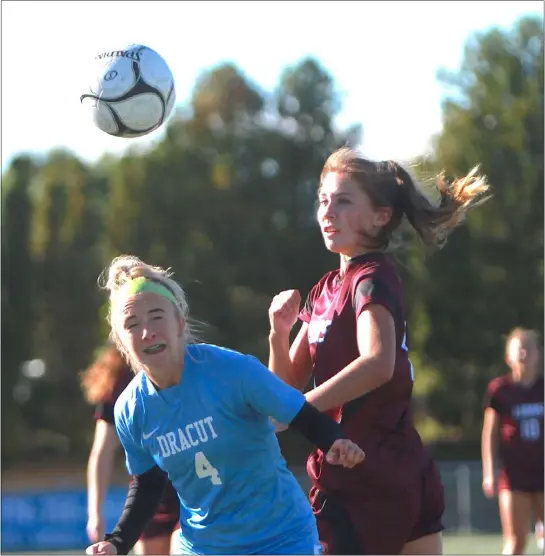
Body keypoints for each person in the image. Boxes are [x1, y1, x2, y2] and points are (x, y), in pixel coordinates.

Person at [268, 147, 490, 555]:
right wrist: (278, 335)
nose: (327, 211)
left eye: (343, 200)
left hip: (366, 479)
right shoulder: (324, 290)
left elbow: (377, 363)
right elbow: (284, 389)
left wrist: (299, 412)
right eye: (323, 201)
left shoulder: (371, 277)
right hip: (382, 472)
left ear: (381, 216)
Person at [85, 255, 365, 556]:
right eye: (132, 323)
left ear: (179, 322)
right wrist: (116, 543)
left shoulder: (232, 370)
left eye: (156, 316)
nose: (146, 331)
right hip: (206, 548)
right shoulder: (130, 409)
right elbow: (148, 486)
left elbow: (299, 413)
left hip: (282, 538)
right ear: (121, 341)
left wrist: (333, 440)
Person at [81, 345, 181, 555]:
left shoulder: (190, 366)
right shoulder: (120, 383)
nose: (146, 333)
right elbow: (102, 451)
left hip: (194, 493)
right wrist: (95, 512)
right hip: (151, 499)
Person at [481, 327, 544, 555]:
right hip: (514, 474)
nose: (525, 354)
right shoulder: (500, 390)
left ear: (539, 354)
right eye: (520, 348)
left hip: (543, 471)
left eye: (530, 348)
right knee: (515, 542)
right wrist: (489, 471)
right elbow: (490, 432)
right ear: (509, 356)